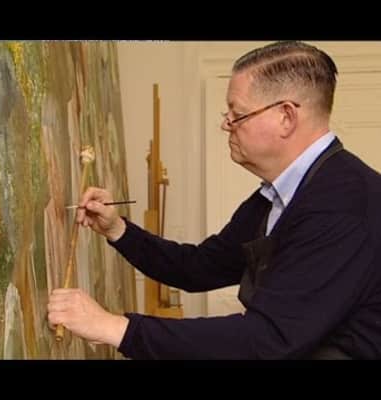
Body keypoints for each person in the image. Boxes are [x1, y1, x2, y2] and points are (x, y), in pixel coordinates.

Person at [47, 41, 381, 359]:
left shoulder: (344, 204)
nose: (226, 124)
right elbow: (198, 268)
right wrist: (117, 229)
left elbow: (267, 341)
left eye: (238, 114)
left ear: (286, 117)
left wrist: (114, 328)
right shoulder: (277, 196)